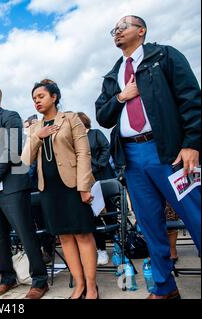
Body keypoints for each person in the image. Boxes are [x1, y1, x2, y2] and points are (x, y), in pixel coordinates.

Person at [95, 15, 201, 299]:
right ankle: (165, 288)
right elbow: (102, 116)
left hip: (169, 151)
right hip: (131, 156)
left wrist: (192, 142)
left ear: (141, 31)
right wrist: (121, 96)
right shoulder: (113, 75)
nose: (117, 31)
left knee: (196, 215)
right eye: (113, 29)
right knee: (149, 224)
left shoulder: (163, 56)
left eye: (123, 26)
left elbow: (191, 98)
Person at [22, 80, 98, 299]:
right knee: (64, 237)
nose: (37, 101)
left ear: (54, 97)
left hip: (73, 186)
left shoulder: (71, 118)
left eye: (41, 96)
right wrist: (38, 135)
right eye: (34, 98)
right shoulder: (36, 127)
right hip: (48, 190)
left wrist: (84, 186)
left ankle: (92, 287)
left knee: (83, 234)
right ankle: (79, 285)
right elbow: (26, 159)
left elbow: (84, 153)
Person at [0, 84, 48, 299]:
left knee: (25, 233)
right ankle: (7, 278)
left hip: (10, 186)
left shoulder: (10, 117)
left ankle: (39, 280)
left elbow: (11, 150)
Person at [77, 112, 116, 266]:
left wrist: (98, 165)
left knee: (110, 213)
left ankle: (119, 244)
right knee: (94, 216)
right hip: (87, 182)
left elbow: (106, 148)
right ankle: (101, 249)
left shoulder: (95, 134)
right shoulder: (76, 140)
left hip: (103, 176)